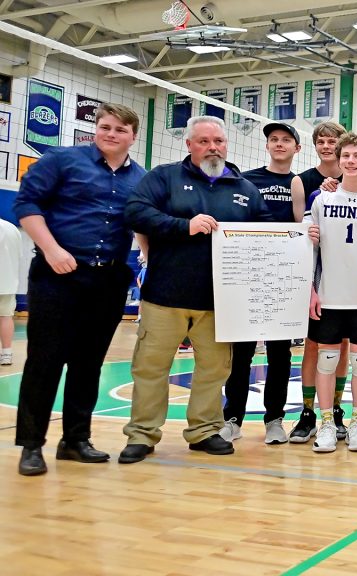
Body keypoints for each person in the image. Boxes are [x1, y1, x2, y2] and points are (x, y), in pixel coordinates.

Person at [119, 115, 275, 464]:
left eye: (218, 141)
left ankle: (204, 430)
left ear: (226, 144)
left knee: (214, 369)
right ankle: (142, 434)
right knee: (150, 367)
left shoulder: (244, 188)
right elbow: (135, 213)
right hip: (165, 296)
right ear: (189, 145)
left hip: (219, 301)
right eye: (203, 141)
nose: (212, 147)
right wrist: (183, 226)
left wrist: (296, 237)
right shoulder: (164, 177)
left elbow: (267, 232)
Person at [12, 103, 147, 476]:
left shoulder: (141, 178)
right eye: (104, 126)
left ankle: (75, 439)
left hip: (107, 279)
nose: (110, 134)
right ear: (96, 129)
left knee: (89, 364)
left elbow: (143, 224)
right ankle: (31, 445)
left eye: (120, 129)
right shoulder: (63, 161)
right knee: (45, 361)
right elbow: (26, 204)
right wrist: (52, 250)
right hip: (57, 274)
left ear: (133, 136)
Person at [219, 122, 304, 446]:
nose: (279, 144)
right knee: (240, 353)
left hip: (282, 277)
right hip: (247, 275)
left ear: (296, 148)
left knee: (280, 354)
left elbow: (300, 226)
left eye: (286, 140)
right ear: (267, 145)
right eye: (274, 140)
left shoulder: (297, 182)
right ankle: (233, 418)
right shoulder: (247, 180)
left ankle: (274, 420)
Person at [307, 132, 357, 453]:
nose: (351, 161)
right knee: (327, 360)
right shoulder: (322, 198)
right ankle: (326, 423)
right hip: (328, 295)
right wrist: (310, 290)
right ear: (338, 161)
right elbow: (310, 247)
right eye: (346, 156)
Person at [292, 121, 349, 444]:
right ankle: (308, 411)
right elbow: (300, 230)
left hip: (349, 277)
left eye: (333, 141)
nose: (327, 146)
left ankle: (337, 409)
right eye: (322, 141)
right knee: (313, 345)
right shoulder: (304, 181)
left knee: (341, 345)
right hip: (316, 274)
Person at [0, 217, 19, 366]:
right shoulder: (12, 228)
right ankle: (7, 354)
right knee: (6, 316)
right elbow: (19, 255)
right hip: (8, 280)